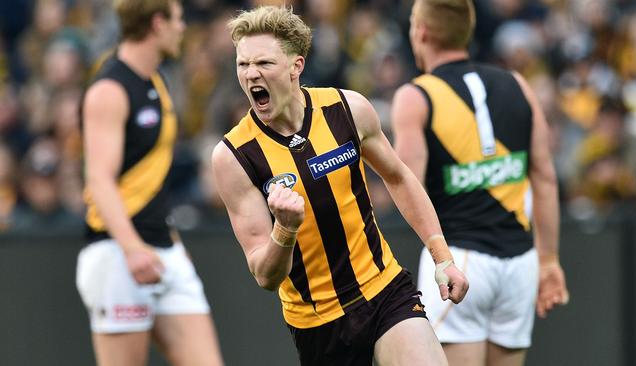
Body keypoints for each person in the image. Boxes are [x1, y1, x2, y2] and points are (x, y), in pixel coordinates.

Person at [211, 6, 468, 366]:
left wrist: (443, 258)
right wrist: (284, 229)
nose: (251, 73)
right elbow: (265, 275)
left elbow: (398, 177)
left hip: (384, 291)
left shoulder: (348, 108)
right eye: (243, 65)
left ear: (295, 66)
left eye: (264, 64)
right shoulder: (233, 156)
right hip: (318, 324)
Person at [390, 1, 570, 366]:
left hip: (459, 260)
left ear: (420, 31)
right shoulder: (517, 83)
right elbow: (546, 176)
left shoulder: (415, 96)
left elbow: (408, 187)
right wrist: (549, 261)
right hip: (520, 261)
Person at [75, 1, 224, 365]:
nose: (183, 28)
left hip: (162, 251)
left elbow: (150, 179)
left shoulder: (158, 81)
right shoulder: (108, 89)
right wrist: (132, 248)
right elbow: (99, 179)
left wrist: (169, 240)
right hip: (117, 252)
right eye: (178, 19)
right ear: (158, 23)